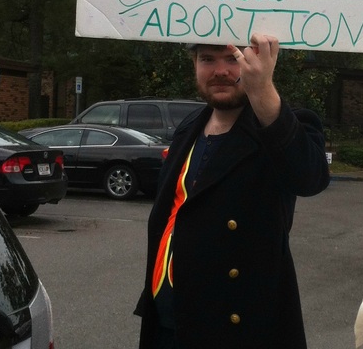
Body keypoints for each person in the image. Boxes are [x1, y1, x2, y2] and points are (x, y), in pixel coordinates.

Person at [134, 33, 330, 349]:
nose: (221, 71)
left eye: (233, 58)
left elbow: (310, 178)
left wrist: (263, 91)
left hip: (236, 329)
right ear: (194, 64)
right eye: (207, 59)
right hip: (169, 322)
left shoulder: (280, 123)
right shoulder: (189, 128)